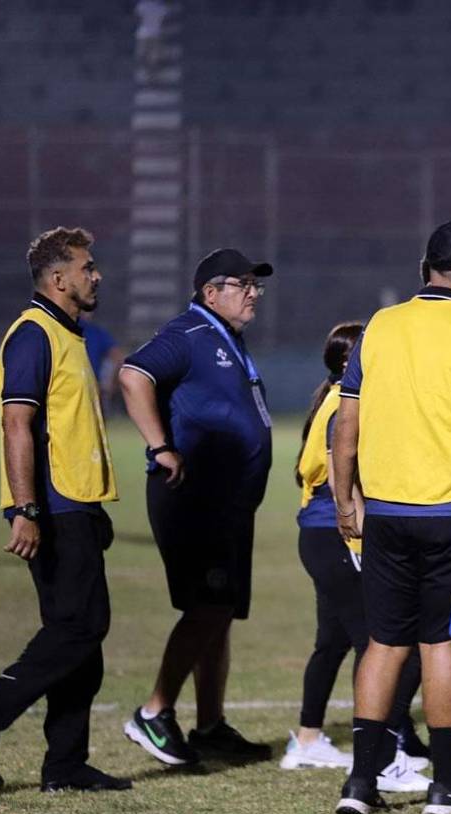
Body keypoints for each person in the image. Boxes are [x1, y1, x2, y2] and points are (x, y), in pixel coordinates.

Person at [330, 216, 451, 814]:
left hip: (386, 511)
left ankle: (361, 785)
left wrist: (345, 498)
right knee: (441, 645)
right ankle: (445, 782)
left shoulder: (380, 326)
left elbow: (346, 426)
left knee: (384, 645)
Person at [0, 227, 130, 793]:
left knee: (80, 633)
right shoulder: (33, 335)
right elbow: (16, 424)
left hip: (77, 504)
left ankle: (65, 764)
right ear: (58, 279)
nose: (95, 274)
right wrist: (26, 508)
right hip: (53, 508)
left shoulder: (68, 334)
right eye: (86, 267)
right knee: (79, 627)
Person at [118, 248, 275, 766]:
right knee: (208, 606)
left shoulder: (226, 337)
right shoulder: (188, 334)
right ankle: (153, 712)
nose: (253, 292)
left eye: (256, 284)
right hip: (195, 497)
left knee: (221, 611)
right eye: (242, 283)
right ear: (211, 292)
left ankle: (210, 724)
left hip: (229, 501)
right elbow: (133, 374)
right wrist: (160, 446)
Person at [281, 321, 431, 793]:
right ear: (351, 362)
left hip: (320, 535)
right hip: (337, 537)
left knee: (333, 642)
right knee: (384, 647)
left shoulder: (333, 397)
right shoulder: (344, 406)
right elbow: (345, 471)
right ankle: (385, 757)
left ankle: (307, 740)